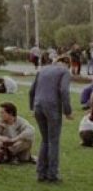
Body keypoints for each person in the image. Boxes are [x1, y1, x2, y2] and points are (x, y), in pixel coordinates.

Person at [29, 55, 73, 183]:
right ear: (67, 63)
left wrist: (32, 107)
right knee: (53, 140)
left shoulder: (42, 70)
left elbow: (31, 90)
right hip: (52, 107)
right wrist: (68, 111)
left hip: (38, 105)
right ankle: (52, 174)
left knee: (45, 139)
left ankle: (40, 173)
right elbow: (64, 91)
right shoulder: (64, 72)